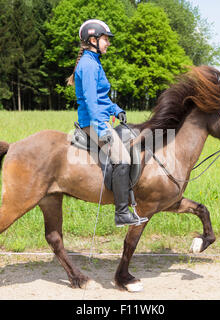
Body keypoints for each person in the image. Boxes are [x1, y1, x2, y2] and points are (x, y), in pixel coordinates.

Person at [67, 19, 146, 227]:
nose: (108, 43)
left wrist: (115, 109)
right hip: (93, 123)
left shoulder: (93, 62)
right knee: (122, 157)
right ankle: (121, 213)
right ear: (92, 40)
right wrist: (102, 129)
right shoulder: (89, 65)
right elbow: (92, 103)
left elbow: (102, 98)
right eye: (105, 39)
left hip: (101, 118)